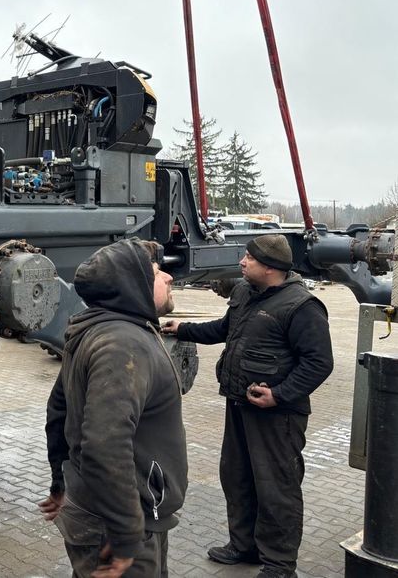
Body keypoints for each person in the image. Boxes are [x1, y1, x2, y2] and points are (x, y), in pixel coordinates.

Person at [162, 234, 333, 578]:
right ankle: (244, 547)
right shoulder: (244, 292)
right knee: (237, 477)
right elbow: (224, 329)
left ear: (270, 267)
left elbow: (319, 363)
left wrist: (279, 395)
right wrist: (184, 329)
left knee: (276, 488)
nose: (242, 262)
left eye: (250, 258)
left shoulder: (302, 306)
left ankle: (279, 565)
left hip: (278, 416)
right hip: (240, 403)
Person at [40, 238, 188, 578]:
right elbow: (104, 443)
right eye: (156, 273)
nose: (168, 277)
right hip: (117, 521)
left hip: (107, 510)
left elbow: (58, 410)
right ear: (132, 286)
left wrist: (60, 483)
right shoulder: (123, 344)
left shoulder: (96, 330)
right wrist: (125, 535)